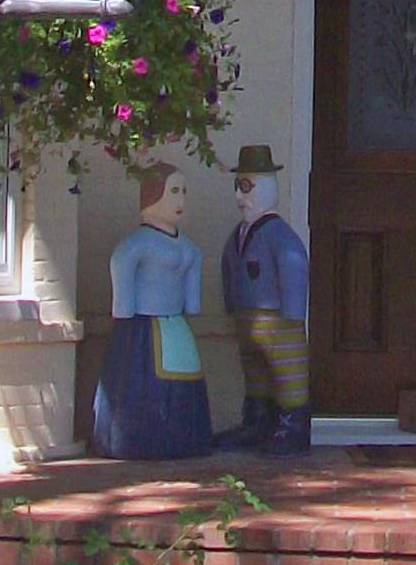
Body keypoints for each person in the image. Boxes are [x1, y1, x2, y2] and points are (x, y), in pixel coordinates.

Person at [90, 165, 212, 460]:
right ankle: (137, 440)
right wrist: (124, 309)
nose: (180, 199)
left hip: (176, 327)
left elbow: (192, 299)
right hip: (140, 329)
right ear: (152, 195)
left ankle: (184, 439)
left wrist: (191, 304)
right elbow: (121, 268)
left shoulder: (189, 248)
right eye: (173, 191)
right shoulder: (137, 244)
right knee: (139, 384)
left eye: (183, 191)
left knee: (184, 382)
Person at [220, 144, 311, 454]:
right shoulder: (239, 234)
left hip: (278, 321)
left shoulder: (279, 235)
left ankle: (292, 427)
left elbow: (293, 263)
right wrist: (231, 304)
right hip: (247, 318)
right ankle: (257, 422)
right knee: (255, 373)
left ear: (269, 186)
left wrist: (294, 313)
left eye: (247, 187)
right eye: (237, 187)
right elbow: (229, 266)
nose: (240, 196)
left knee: (287, 374)